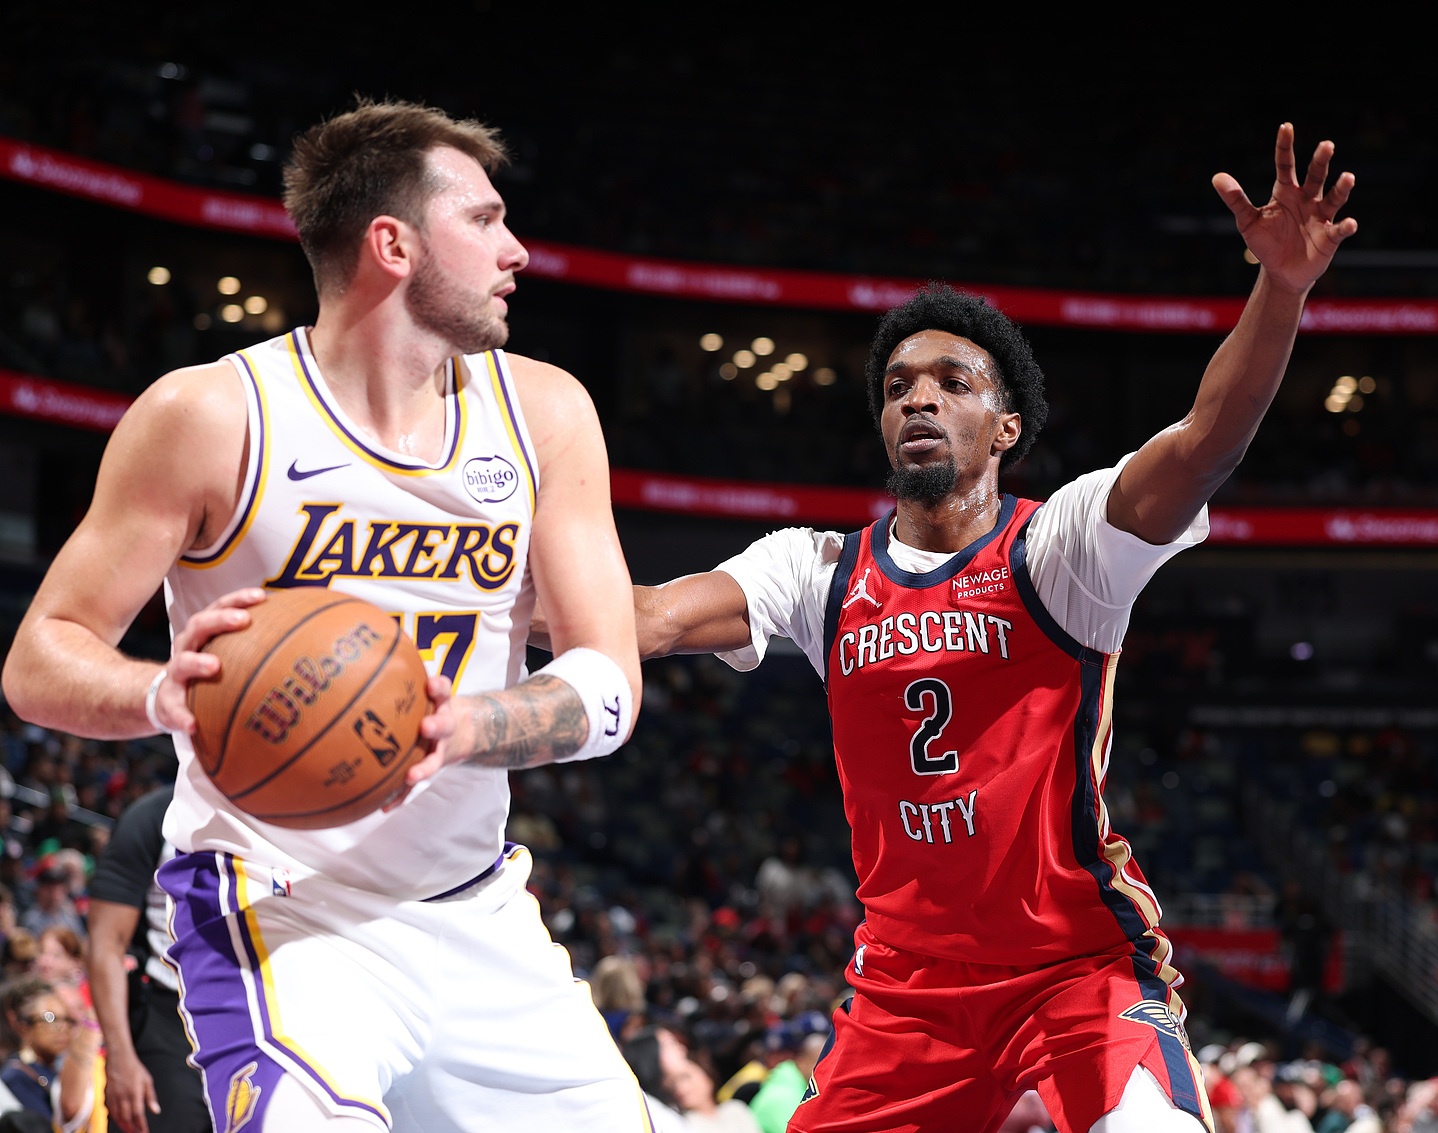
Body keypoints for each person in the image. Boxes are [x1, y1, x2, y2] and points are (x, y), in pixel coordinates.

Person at [630, 123, 1355, 1133]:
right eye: (897, 387)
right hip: (908, 992)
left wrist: (1279, 288)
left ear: (1005, 427)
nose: (918, 398)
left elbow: (1201, 446)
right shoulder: (816, 567)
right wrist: (468, 584)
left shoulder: (1059, 547)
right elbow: (648, 617)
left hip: (1074, 968)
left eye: (951, 382)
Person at [0, 99, 646, 1131]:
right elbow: (40, 657)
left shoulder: (545, 412)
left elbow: (608, 682)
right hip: (277, 905)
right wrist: (162, 693)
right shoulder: (211, 415)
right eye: (483, 220)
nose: (516, 250)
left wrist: (463, 726)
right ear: (392, 244)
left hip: (478, 903)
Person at [85, 784, 210, 1133]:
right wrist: (120, 1056)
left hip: (264, 1014)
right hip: (169, 1015)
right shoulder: (156, 815)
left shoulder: (283, 818)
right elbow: (106, 943)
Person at [0, 975, 102, 1132]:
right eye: (50, 1018)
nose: (61, 1028)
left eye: (66, 1019)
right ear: (23, 1025)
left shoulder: (57, 1066)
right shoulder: (16, 1076)